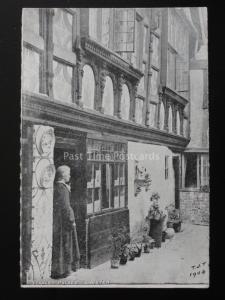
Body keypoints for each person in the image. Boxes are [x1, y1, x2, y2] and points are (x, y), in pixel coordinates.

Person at [51, 165, 80, 279]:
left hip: (58, 222)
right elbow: (66, 207)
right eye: (68, 174)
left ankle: (59, 270)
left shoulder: (57, 187)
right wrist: (71, 220)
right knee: (66, 245)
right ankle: (64, 270)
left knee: (60, 245)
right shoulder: (63, 189)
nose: (69, 176)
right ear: (63, 175)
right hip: (64, 223)